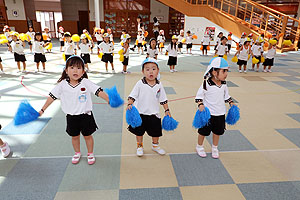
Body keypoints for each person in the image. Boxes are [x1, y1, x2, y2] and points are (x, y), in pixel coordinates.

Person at [39, 56, 109, 165]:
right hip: (71, 117)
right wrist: (42, 110)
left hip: (86, 116)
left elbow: (98, 92)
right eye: (72, 67)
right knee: (75, 137)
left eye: (78, 68)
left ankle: (90, 153)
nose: (75, 70)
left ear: (83, 71)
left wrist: (109, 100)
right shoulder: (62, 85)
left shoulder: (85, 82)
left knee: (88, 136)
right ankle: (77, 153)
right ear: (66, 70)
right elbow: (51, 97)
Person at [127, 58, 171, 157]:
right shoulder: (140, 83)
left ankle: (155, 146)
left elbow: (163, 99)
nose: (150, 71)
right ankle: (139, 146)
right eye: (147, 69)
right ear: (143, 72)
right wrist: (130, 104)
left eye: (153, 69)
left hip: (154, 114)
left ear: (158, 71)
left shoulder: (159, 85)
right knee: (139, 132)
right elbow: (132, 95)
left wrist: (167, 110)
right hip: (140, 113)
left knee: (156, 133)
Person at [195, 57, 235, 159]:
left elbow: (226, 96)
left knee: (217, 132)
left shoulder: (224, 84)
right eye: (223, 71)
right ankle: (199, 146)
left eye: (227, 71)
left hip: (220, 113)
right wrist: (200, 105)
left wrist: (231, 102)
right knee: (203, 131)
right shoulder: (206, 84)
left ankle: (214, 147)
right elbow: (199, 96)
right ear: (214, 72)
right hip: (208, 114)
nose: (226, 74)